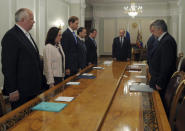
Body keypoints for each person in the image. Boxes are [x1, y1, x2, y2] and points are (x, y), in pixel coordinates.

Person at [1, 8, 43, 109]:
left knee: (34, 119)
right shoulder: (11, 36)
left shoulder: (26, 35)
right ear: (23, 20)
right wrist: (12, 90)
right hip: (21, 91)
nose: (34, 21)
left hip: (32, 88)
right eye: (32, 19)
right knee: (22, 121)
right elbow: (8, 65)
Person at [149, 19, 177, 102]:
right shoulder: (163, 39)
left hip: (161, 82)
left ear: (159, 29)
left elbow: (166, 64)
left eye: (153, 31)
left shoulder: (167, 41)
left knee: (159, 105)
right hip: (156, 78)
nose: (152, 33)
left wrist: (160, 83)